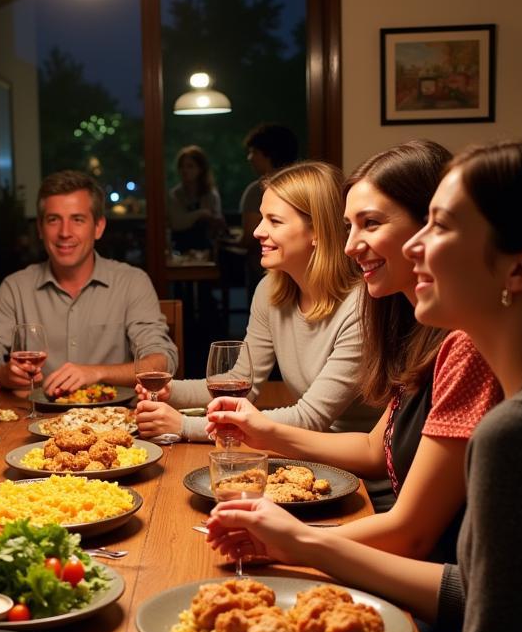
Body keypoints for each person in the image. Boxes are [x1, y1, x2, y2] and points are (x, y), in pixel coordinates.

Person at [206, 140, 522, 632]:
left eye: (439, 226)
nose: (415, 246)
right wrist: (288, 521)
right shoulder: (459, 359)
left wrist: (299, 545)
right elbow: (476, 593)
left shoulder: (514, 425)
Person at [206, 140, 501, 564]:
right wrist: (261, 431)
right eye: (349, 227)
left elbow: (415, 537)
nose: (349, 246)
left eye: (371, 223)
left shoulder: (466, 344)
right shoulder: (411, 326)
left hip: (420, 559)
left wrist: (294, 543)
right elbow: (372, 448)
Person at [138, 161, 381, 440]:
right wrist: (172, 391)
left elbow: (309, 418)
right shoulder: (270, 290)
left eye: (274, 221)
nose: (257, 231)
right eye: (263, 217)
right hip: (304, 453)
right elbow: (242, 383)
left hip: (355, 469)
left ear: (317, 231)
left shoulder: (361, 306)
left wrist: (184, 426)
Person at [0, 169, 177, 396]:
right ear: (40, 228)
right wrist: (2, 375)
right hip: (34, 420)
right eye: (53, 220)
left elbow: (161, 362)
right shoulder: (15, 287)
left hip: (115, 421)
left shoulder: (132, 282)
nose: (64, 233)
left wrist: (96, 373)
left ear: (98, 227)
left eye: (77, 219)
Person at [238, 123, 299, 294]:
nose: (249, 158)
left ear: (269, 154)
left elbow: (249, 237)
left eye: (254, 152)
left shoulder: (258, 191)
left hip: (263, 272)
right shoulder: (302, 186)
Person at [166, 145, 225, 254]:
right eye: (181, 167)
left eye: (190, 166)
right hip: (179, 252)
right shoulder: (174, 195)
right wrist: (201, 213)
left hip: (206, 252)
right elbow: (177, 223)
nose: (184, 170)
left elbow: (216, 221)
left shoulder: (210, 194)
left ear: (201, 169)